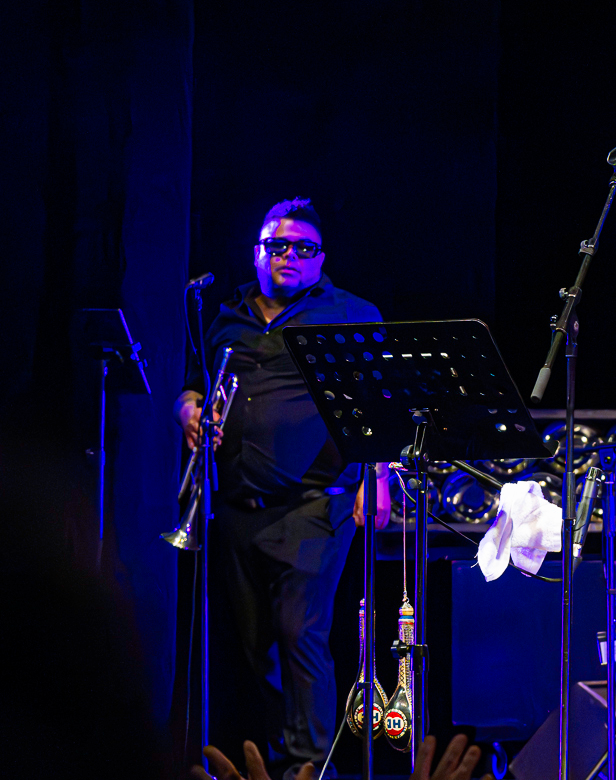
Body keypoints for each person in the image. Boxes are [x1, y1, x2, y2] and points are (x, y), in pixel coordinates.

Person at [180, 198, 383, 777]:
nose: (288, 255)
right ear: (257, 251)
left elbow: (380, 405)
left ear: (321, 258)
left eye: (303, 248)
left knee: (300, 633)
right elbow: (191, 389)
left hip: (316, 505)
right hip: (237, 505)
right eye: (276, 245)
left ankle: (312, 767)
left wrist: (379, 478)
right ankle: (278, 763)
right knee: (256, 647)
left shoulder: (350, 313)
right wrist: (188, 411)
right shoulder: (226, 316)